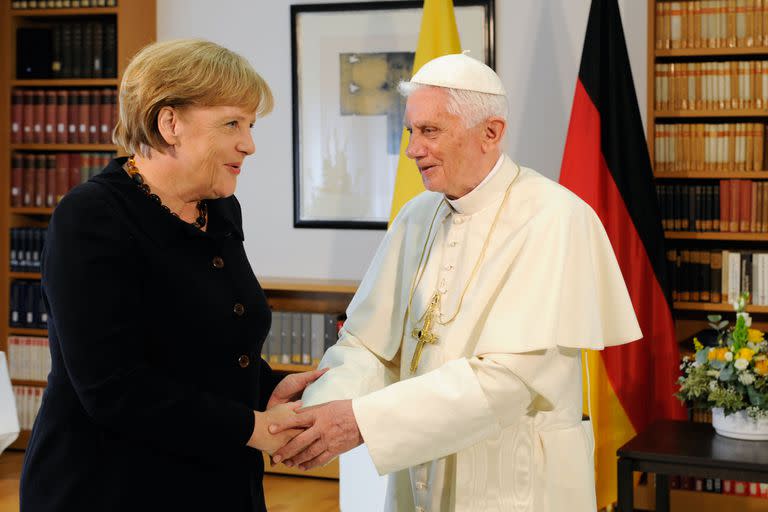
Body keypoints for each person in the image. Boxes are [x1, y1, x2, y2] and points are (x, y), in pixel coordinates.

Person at [268, 53, 643, 511]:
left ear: (491, 133)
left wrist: (363, 421)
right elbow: (368, 345)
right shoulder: (417, 215)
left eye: (430, 131)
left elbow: (508, 382)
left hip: (515, 484)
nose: (412, 149)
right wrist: (315, 415)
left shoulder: (556, 218)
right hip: (419, 473)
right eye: (410, 131)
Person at [19, 39, 322, 512]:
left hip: (219, 481)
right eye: (232, 124)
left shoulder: (220, 209)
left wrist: (266, 389)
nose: (249, 144)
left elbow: (206, 343)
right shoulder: (91, 217)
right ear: (170, 123)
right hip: (109, 488)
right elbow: (113, 386)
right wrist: (251, 427)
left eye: (250, 124)